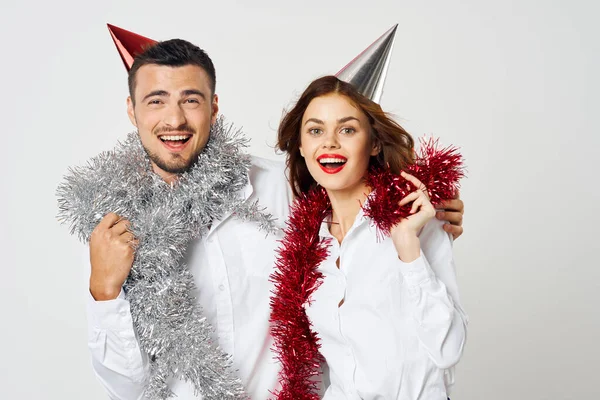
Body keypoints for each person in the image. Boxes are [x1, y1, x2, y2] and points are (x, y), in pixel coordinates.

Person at [79, 38, 466, 398]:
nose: (175, 119)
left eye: (191, 100)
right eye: (155, 101)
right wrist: (104, 289)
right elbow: (128, 386)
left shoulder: (281, 187)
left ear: (214, 107)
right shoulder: (114, 232)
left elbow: (352, 180)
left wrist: (432, 198)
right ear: (132, 110)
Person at [271, 75, 468, 399]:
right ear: (302, 147)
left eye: (347, 129)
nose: (330, 143)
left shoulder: (415, 218)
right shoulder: (307, 242)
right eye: (316, 130)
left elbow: (449, 349)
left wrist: (407, 246)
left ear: (374, 143)